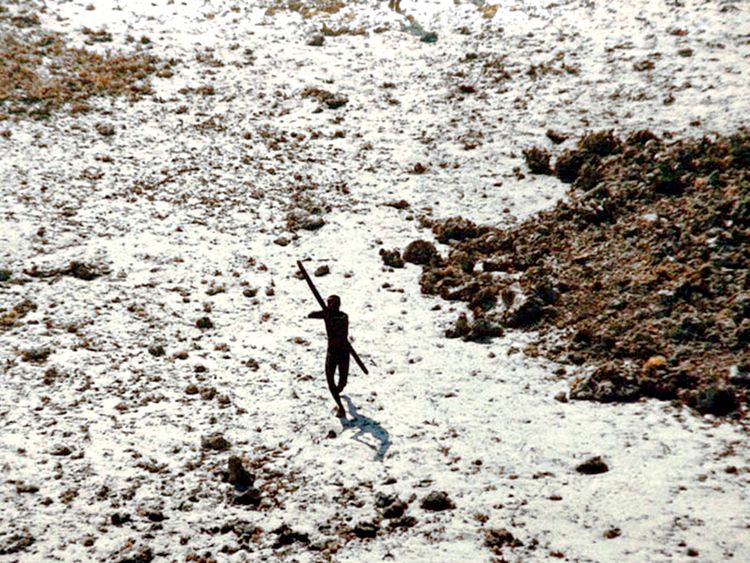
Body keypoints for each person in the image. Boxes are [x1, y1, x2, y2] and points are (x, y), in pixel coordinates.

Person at [307, 294, 350, 418]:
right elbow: (311, 315)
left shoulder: (343, 317)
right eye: (328, 303)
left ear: (338, 305)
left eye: (332, 303)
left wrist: (326, 314)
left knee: (342, 381)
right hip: (332, 352)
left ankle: (337, 391)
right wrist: (323, 313)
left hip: (343, 352)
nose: (329, 306)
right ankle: (340, 407)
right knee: (330, 379)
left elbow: (338, 324)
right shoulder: (327, 315)